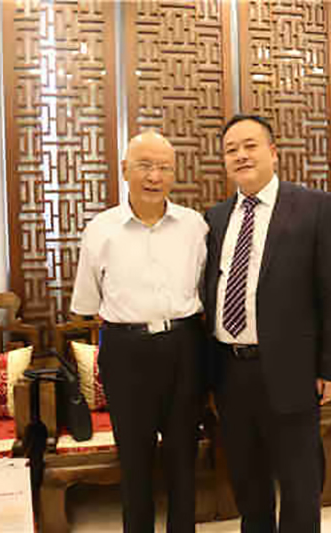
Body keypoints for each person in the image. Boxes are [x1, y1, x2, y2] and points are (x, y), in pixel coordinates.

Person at [203, 114, 331, 532]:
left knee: (300, 480)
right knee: (247, 481)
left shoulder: (313, 207)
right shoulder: (215, 217)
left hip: (292, 369)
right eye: (231, 150)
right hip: (230, 369)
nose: (240, 155)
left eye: (249, 145)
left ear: (273, 152)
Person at [70, 130, 208, 532]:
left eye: (164, 167)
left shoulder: (194, 226)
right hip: (125, 351)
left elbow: (207, 288)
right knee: (134, 461)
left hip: (185, 346)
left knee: (183, 457)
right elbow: (87, 304)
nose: (154, 176)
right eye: (144, 166)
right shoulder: (101, 229)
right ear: (124, 169)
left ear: (174, 173)